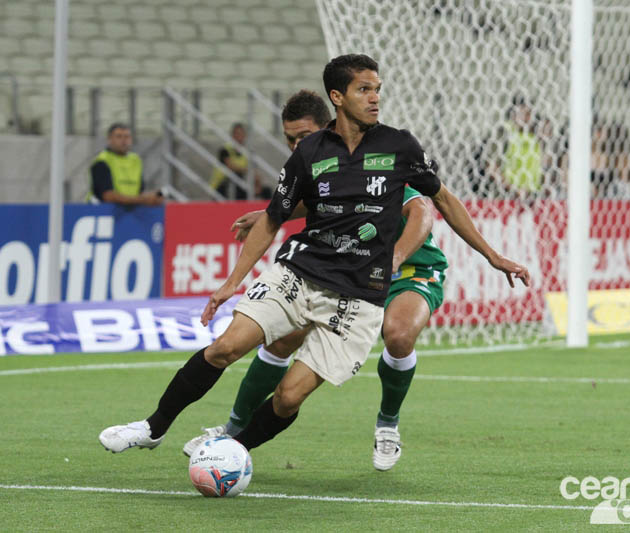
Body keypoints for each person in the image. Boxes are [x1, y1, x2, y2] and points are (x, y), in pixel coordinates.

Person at [99, 54, 530, 462]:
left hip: (360, 296)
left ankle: (235, 449)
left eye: (377, 89)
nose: (375, 97)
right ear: (338, 98)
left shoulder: (400, 146)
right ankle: (152, 427)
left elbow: (442, 202)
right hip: (301, 272)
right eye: (364, 89)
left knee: (289, 397)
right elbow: (275, 217)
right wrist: (233, 281)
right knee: (224, 348)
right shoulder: (308, 153)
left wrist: (493, 255)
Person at [181, 89, 444, 471]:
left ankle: (388, 423)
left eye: (305, 137)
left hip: (407, 269)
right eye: (291, 140)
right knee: (284, 335)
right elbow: (306, 202)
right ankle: (232, 431)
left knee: (400, 335)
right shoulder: (316, 163)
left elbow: (421, 211)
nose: (298, 146)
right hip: (347, 272)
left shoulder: (381, 154)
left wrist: (394, 259)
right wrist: (272, 212)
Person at [87, 123, 163, 206]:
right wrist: (143, 200)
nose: (124, 141)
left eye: (127, 137)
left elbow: (139, 191)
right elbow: (108, 196)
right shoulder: (102, 161)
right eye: (119, 137)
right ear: (109, 139)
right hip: (103, 213)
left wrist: (152, 197)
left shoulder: (136, 160)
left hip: (130, 211)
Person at [209, 123, 272, 200]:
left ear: (245, 136)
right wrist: (247, 170)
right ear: (232, 136)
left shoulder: (248, 152)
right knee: (238, 178)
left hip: (241, 184)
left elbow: (255, 172)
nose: (239, 137)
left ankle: (270, 211)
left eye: (241, 134)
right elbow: (231, 166)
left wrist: (258, 185)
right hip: (222, 185)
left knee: (266, 190)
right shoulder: (225, 150)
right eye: (236, 134)